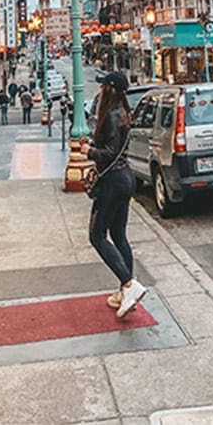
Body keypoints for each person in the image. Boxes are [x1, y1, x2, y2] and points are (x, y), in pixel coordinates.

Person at [80, 70, 146, 318]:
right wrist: (95, 144)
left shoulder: (110, 115)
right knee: (118, 234)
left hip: (111, 183)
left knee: (97, 236)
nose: (99, 91)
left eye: (102, 87)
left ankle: (129, 284)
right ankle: (124, 290)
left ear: (109, 89)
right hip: (124, 179)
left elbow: (108, 152)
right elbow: (115, 147)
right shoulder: (124, 113)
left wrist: (89, 151)